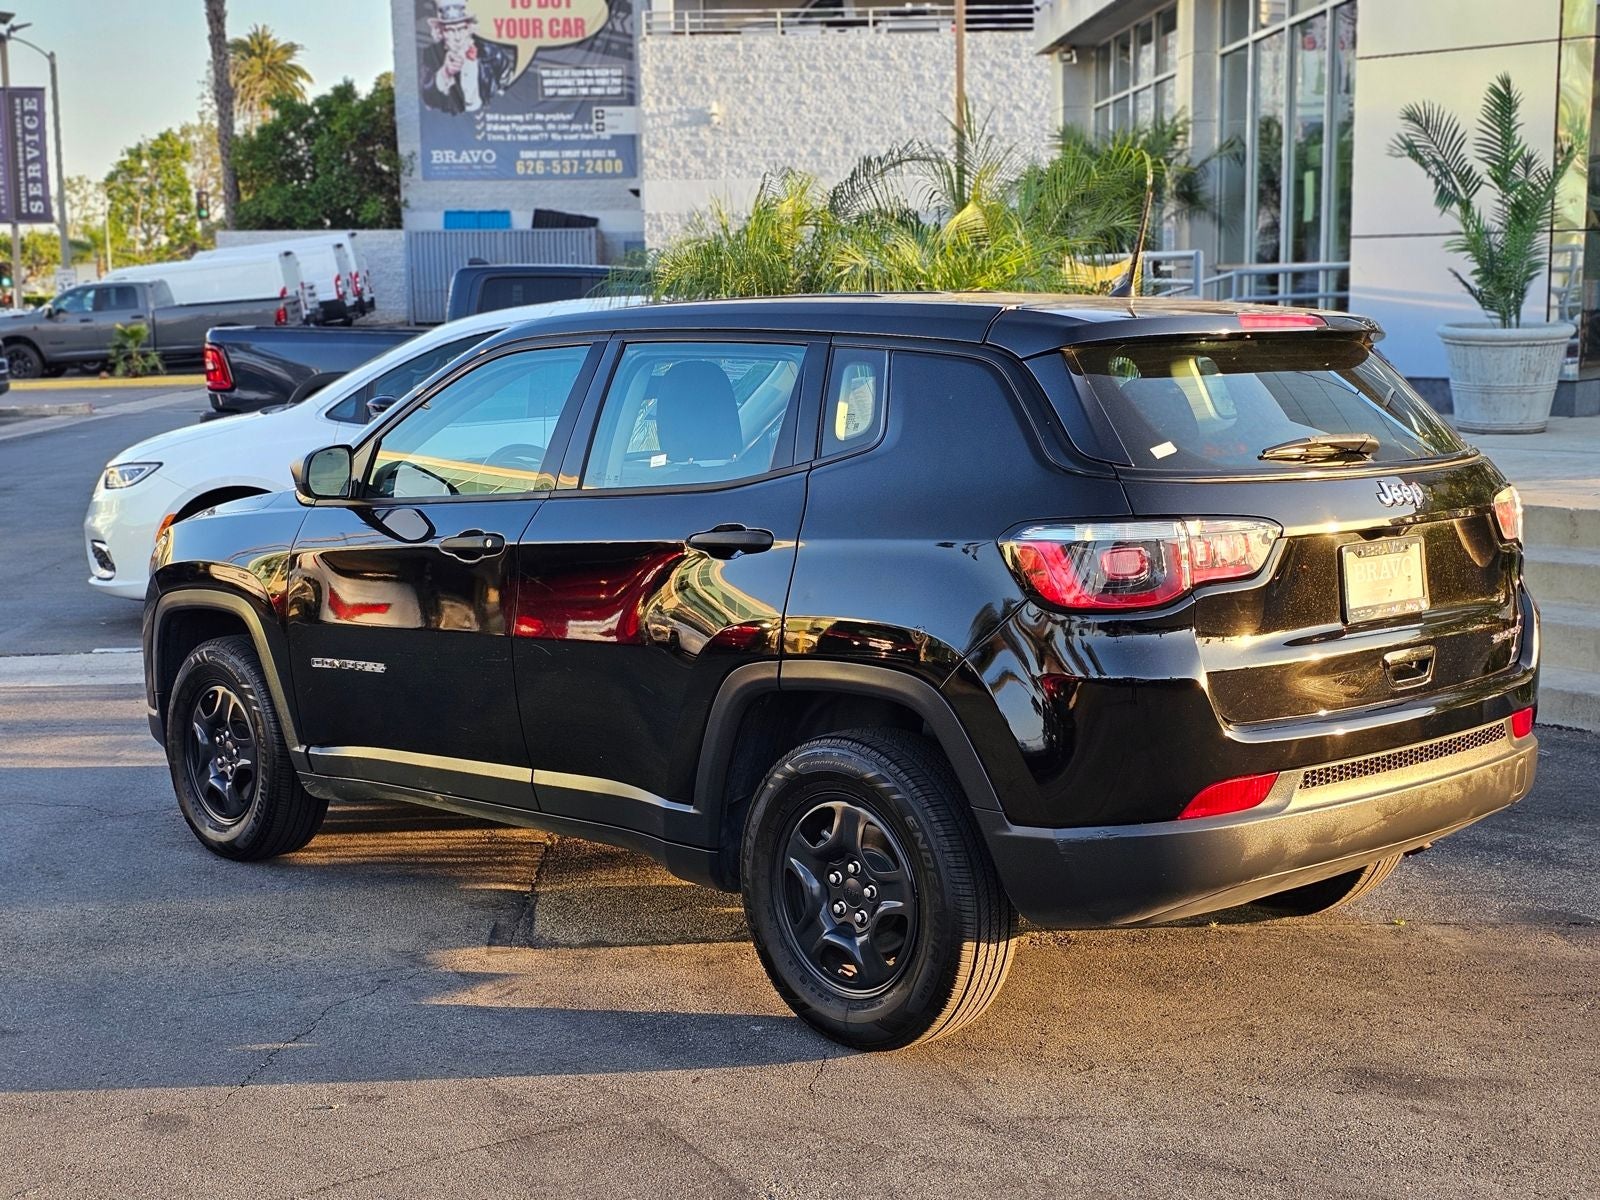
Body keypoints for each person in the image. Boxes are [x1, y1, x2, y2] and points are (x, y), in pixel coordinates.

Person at [421, 1, 518, 116]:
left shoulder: (493, 54)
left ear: (469, 28)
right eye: (450, 30)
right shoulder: (429, 56)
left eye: (461, 28)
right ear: (440, 32)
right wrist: (445, 73)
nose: (457, 37)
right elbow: (426, 99)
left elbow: (510, 93)